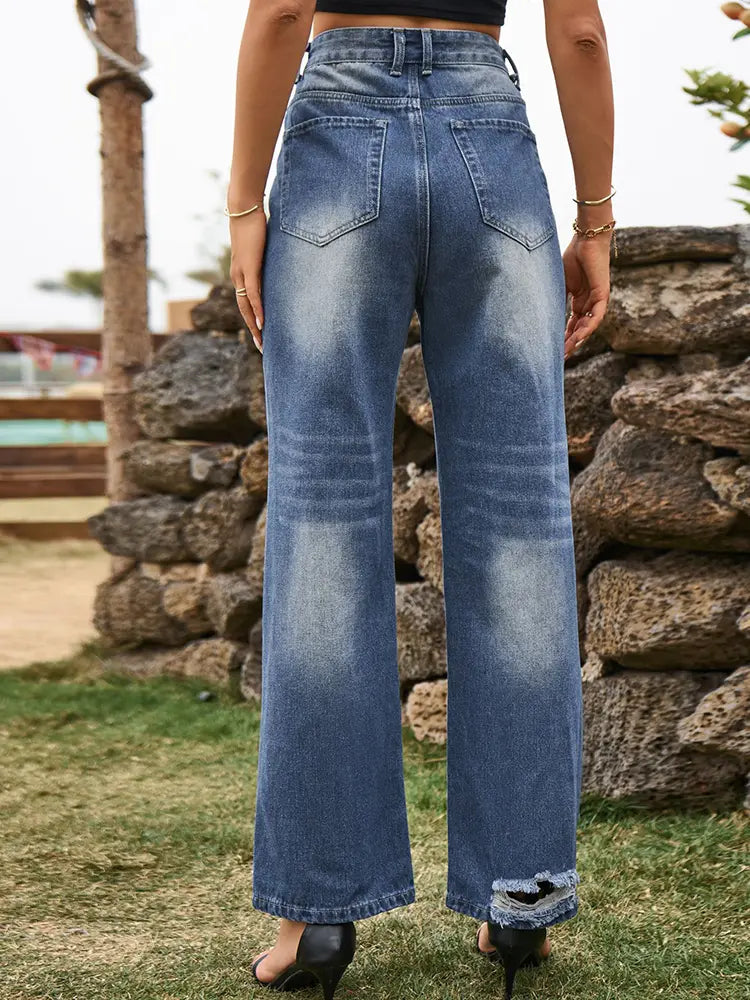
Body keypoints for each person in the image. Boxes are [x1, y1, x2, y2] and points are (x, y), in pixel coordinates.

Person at [227, 0, 614, 996]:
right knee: (520, 523)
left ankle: (316, 917)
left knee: (321, 518)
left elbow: (281, 10)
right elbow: (578, 32)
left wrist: (244, 206)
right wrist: (596, 221)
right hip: (490, 138)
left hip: (336, 135)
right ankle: (521, 901)